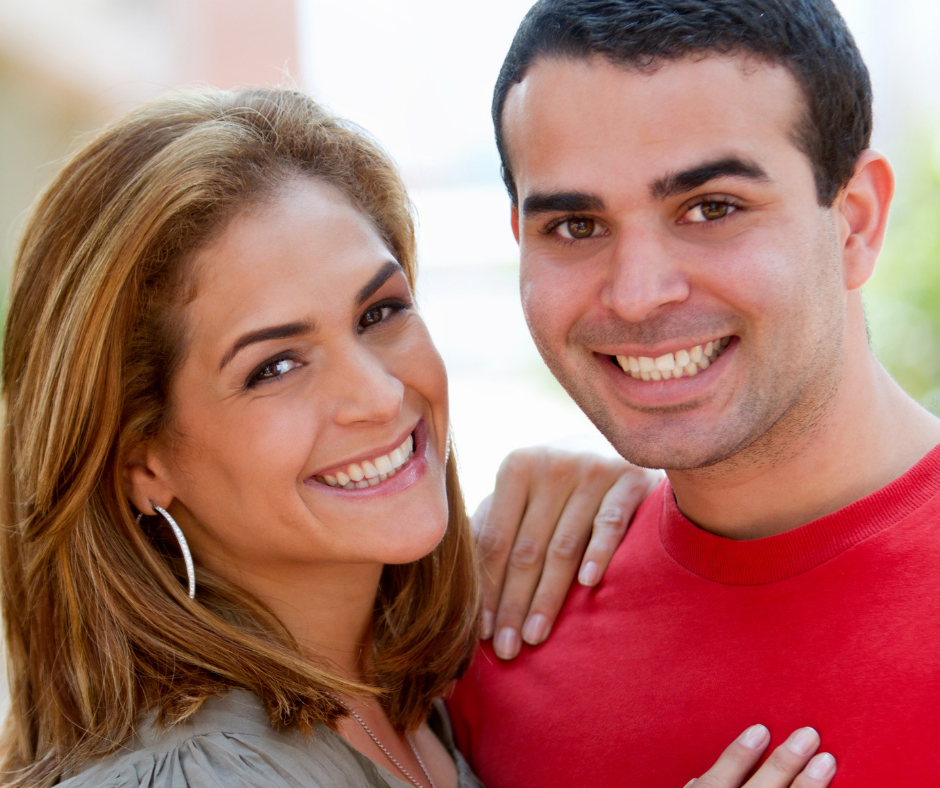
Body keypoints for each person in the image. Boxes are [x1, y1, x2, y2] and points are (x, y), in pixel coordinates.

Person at [0, 86, 825, 788]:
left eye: (380, 313)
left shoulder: (416, 704)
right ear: (142, 461)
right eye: (276, 366)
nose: (379, 393)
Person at [448, 0, 940, 786]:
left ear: (855, 221)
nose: (638, 294)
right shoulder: (502, 622)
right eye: (576, 225)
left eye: (712, 209)